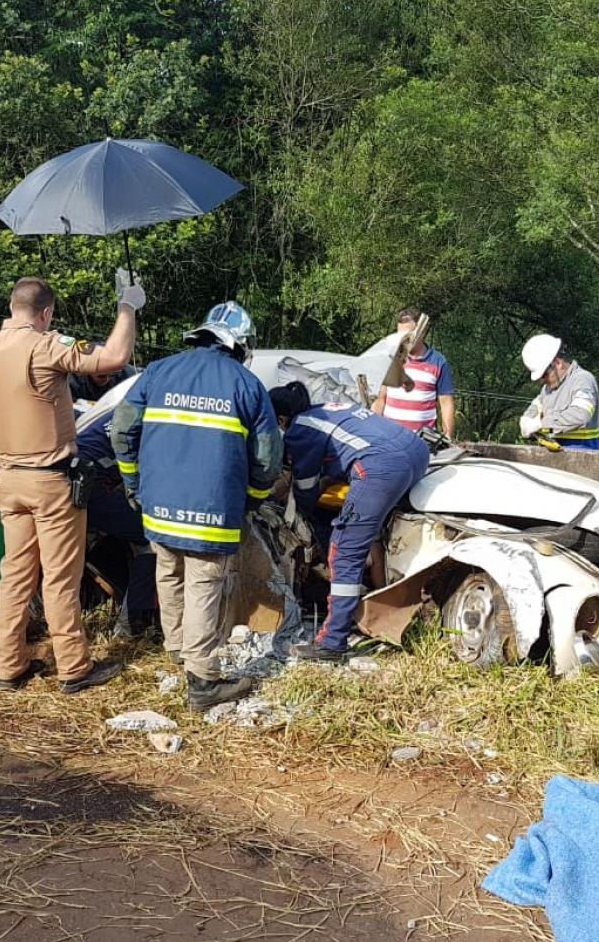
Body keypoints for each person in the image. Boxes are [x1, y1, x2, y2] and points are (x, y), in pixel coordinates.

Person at [0, 275, 142, 693]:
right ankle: (74, 667)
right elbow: (114, 357)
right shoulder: (46, 346)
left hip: (7, 481)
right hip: (50, 481)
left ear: (12, 307)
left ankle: (9, 665)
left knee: (14, 576)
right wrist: (128, 305)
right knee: (60, 577)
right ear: (45, 314)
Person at [111, 302, 282, 712]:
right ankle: (203, 681)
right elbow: (267, 457)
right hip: (213, 511)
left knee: (169, 571)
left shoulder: (158, 371)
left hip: (158, 506)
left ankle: (177, 648)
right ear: (240, 345)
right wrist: (253, 498)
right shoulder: (246, 384)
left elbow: (120, 429)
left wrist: (134, 483)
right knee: (204, 584)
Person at [0, 369, 156, 677]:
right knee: (150, 535)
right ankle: (133, 626)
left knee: (24, 567)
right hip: (78, 486)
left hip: (36, 482)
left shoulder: (123, 403)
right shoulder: (153, 413)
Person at [270, 381, 432, 663]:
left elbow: (305, 492)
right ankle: (377, 601)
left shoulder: (298, 431)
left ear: (281, 419)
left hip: (381, 466)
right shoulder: (325, 410)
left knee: (344, 549)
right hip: (416, 452)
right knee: (373, 530)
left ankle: (332, 642)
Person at [372, 308, 456, 440]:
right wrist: (373, 429)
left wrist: (448, 438)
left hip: (423, 442)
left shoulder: (438, 362)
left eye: (408, 335)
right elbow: (381, 399)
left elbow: (446, 404)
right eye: (400, 334)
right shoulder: (391, 359)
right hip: (390, 440)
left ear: (422, 332)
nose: (403, 339)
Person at [518, 335, 599, 449]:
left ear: (558, 363)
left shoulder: (582, 380)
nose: (542, 381)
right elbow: (535, 407)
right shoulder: (547, 389)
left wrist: (541, 424)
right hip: (553, 452)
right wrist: (526, 421)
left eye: (544, 375)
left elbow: (581, 415)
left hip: (582, 453)